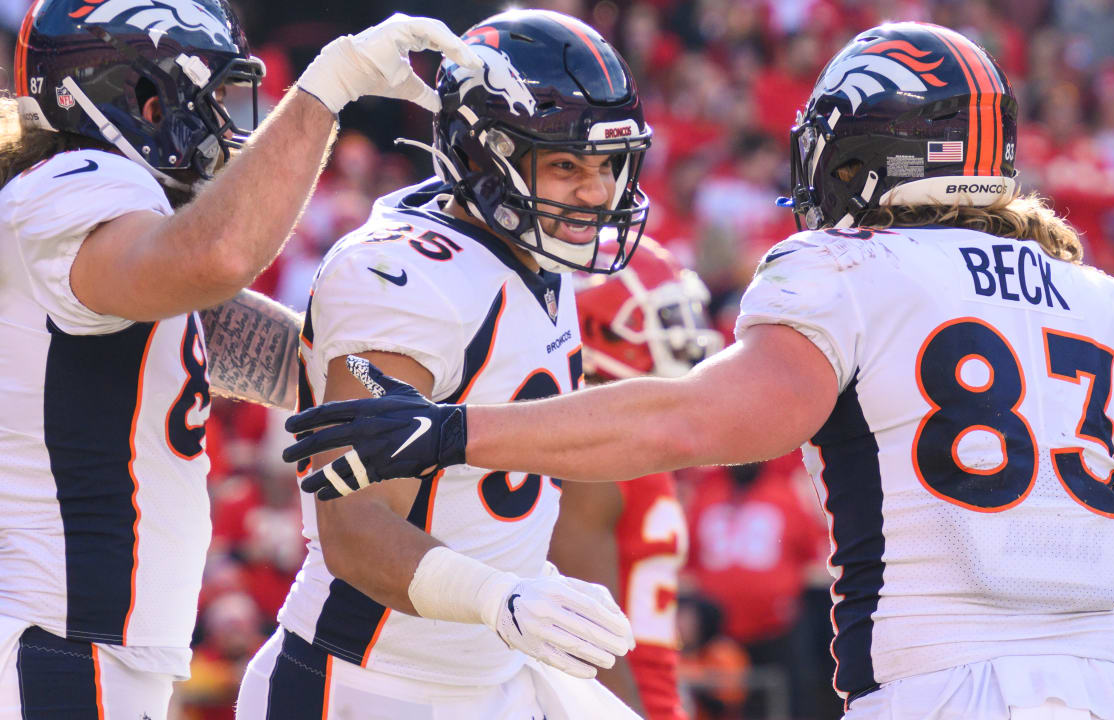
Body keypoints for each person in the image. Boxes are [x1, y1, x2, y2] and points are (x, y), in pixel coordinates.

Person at [288, 22, 1114, 720]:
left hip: (941, 690)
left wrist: (453, 429)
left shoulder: (851, 270)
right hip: (1106, 693)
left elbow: (692, 425)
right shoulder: (1093, 298)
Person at [0, 1, 479, 715]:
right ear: (140, 99)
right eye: (208, 97)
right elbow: (214, 259)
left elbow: (202, 326)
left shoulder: (82, 217)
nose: (227, 124)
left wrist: (394, 377)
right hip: (58, 638)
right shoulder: (75, 182)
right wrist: (327, 90)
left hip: (78, 640)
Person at [236, 9, 652, 718]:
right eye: (565, 164)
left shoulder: (537, 252)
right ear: (484, 153)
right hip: (369, 685)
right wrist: (499, 596)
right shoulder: (404, 275)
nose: (595, 192)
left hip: (493, 672)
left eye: (608, 164)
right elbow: (355, 527)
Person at [549, 238, 723, 719]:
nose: (688, 336)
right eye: (667, 320)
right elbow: (590, 641)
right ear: (601, 327)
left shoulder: (635, 448)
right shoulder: (586, 455)